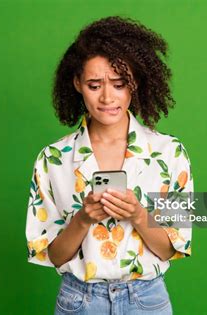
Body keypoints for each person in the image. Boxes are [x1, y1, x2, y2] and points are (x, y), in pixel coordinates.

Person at [25, 16, 193, 315]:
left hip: (147, 300)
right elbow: (53, 255)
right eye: (94, 85)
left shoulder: (169, 153)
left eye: (119, 84)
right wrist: (83, 219)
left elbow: (170, 248)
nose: (107, 97)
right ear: (77, 83)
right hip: (79, 301)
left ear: (135, 83)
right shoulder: (53, 159)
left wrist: (139, 215)